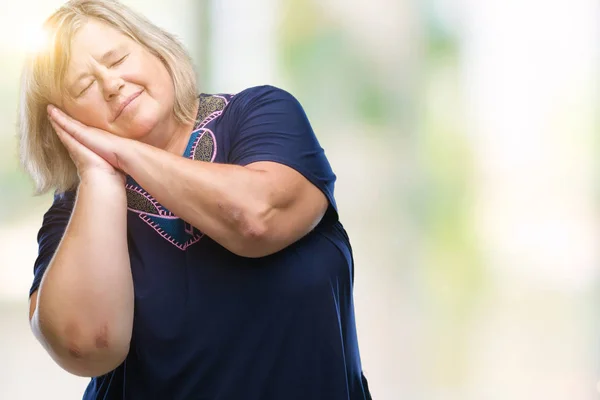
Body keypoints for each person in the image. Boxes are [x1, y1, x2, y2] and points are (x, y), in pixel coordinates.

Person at [19, 1, 372, 399]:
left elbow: (256, 219)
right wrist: (101, 175)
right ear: (64, 122)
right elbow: (87, 348)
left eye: (117, 58)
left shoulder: (260, 114)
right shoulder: (72, 213)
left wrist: (127, 154)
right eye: (84, 86)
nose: (112, 84)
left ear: (155, 49)